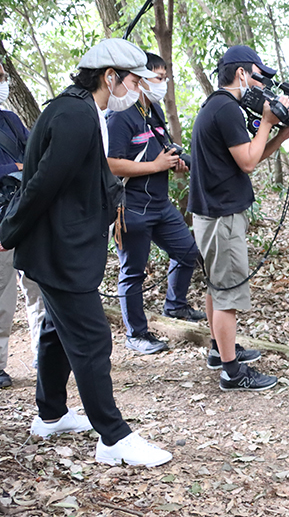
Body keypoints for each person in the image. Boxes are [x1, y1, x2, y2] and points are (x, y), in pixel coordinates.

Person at [0, 38, 172, 466]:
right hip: (58, 250)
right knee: (93, 339)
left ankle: (51, 414)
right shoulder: (76, 115)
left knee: (57, 331)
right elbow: (41, 183)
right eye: (133, 80)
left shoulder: (79, 109)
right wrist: (9, 231)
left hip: (64, 245)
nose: (137, 89)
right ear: (109, 77)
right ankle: (113, 438)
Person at [188, 45, 289, 391]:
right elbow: (248, 163)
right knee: (228, 293)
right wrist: (265, 122)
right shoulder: (226, 109)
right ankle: (232, 373)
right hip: (222, 219)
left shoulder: (216, 106)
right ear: (242, 74)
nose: (262, 86)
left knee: (217, 289)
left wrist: (280, 134)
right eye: (259, 77)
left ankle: (221, 351)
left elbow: (249, 156)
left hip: (213, 216)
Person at [107, 52, 205, 356]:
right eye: (158, 78)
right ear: (140, 79)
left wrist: (174, 160)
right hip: (131, 207)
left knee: (188, 252)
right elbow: (111, 164)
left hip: (160, 204)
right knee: (133, 272)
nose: (163, 83)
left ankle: (175, 305)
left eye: (165, 78)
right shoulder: (120, 116)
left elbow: (160, 148)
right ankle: (136, 334)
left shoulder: (153, 110)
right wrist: (156, 166)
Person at [0, 62, 46, 387]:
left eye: (2, 78)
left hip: (22, 212)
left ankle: (43, 354)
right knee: (2, 294)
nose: (3, 84)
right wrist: (13, 166)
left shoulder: (11, 119)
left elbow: (34, 151)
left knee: (36, 286)